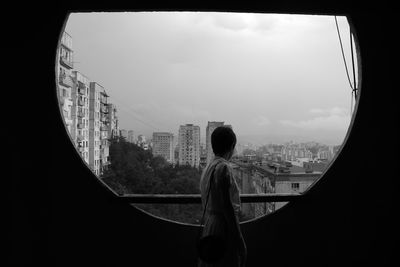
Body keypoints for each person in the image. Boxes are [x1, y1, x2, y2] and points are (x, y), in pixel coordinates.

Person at [198, 126, 247, 267]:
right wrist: (240, 240)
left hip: (210, 225)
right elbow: (228, 208)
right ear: (231, 146)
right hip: (223, 228)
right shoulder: (224, 168)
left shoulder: (209, 167)